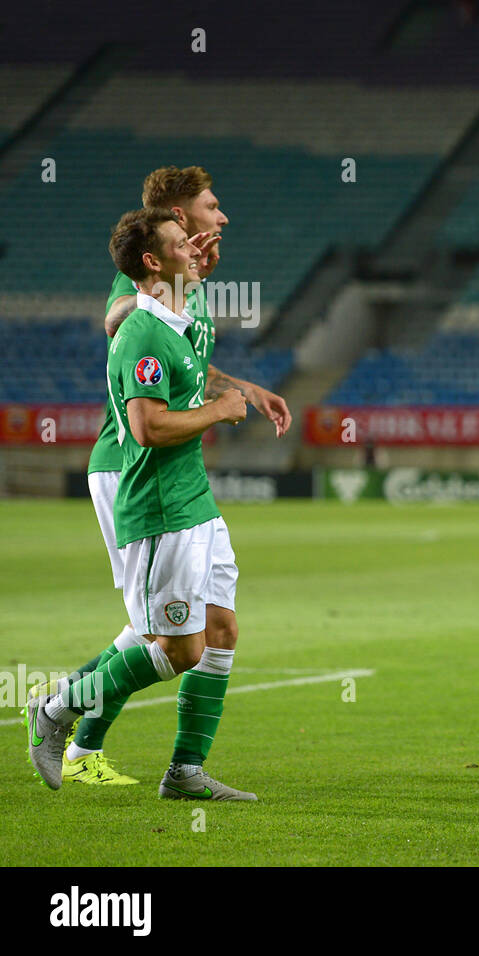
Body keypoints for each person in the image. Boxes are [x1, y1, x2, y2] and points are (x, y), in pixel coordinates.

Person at [32, 166, 289, 787]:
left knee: (213, 625)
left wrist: (241, 388)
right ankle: (68, 722)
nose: (220, 217)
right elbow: (121, 320)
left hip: (186, 481)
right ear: (176, 217)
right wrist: (159, 287)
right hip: (129, 469)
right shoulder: (143, 277)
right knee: (161, 633)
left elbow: (188, 361)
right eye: (210, 205)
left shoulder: (191, 283)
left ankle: (185, 768)